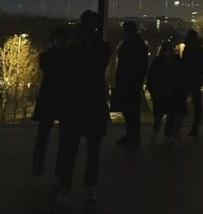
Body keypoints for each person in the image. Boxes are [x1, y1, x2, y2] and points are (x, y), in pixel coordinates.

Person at [55, 11, 111, 203]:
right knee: (92, 151)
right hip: (93, 104)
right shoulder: (102, 48)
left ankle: (65, 187)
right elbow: (99, 66)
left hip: (74, 104)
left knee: (69, 150)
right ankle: (88, 186)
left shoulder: (71, 50)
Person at [31, 26, 68, 176]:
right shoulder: (67, 57)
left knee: (43, 134)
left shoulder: (47, 57)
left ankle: (38, 164)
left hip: (48, 99)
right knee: (63, 137)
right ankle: (61, 168)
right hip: (63, 99)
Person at [110, 20, 148, 148]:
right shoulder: (138, 44)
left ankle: (132, 135)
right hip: (132, 82)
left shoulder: (129, 44)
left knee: (129, 110)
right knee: (132, 110)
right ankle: (133, 135)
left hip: (128, 82)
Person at [146, 40, 187, 141]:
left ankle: (156, 133)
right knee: (170, 114)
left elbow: (151, 76)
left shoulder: (157, 61)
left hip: (160, 92)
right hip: (172, 91)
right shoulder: (177, 61)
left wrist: (151, 90)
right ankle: (167, 135)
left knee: (159, 115)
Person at [180, 30, 203, 136]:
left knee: (182, 101)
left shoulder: (188, 48)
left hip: (188, 78)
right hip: (195, 78)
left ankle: (179, 123)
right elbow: (202, 65)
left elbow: (185, 63)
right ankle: (195, 126)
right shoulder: (200, 49)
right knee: (196, 103)